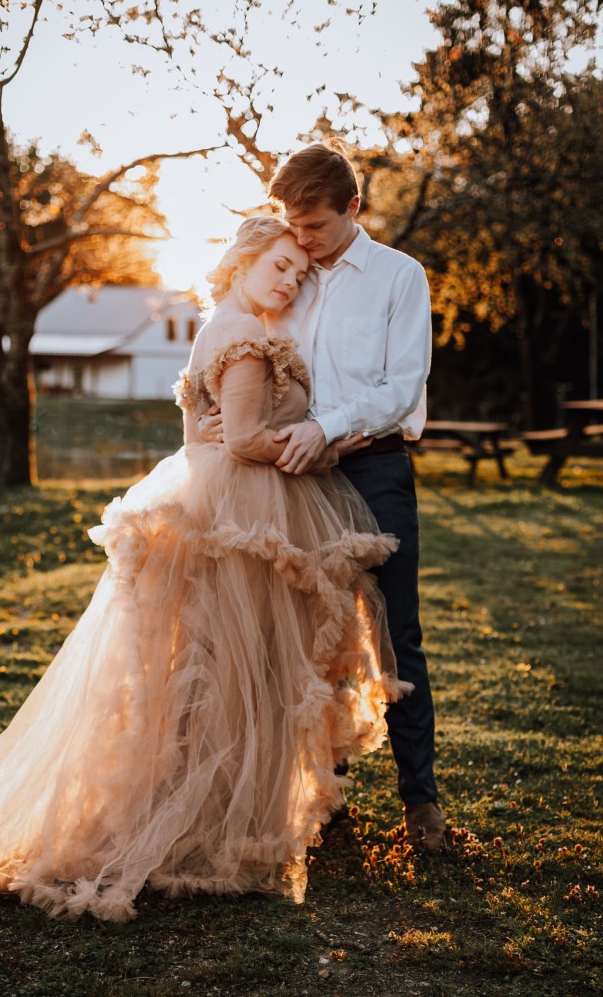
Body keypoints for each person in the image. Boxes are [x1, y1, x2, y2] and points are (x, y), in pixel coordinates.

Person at [0, 217, 412, 923]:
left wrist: (232, 434)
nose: (290, 281)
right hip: (249, 512)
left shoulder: (219, 328)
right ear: (241, 260)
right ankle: (212, 825)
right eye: (279, 265)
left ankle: (217, 811)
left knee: (209, 671)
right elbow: (241, 439)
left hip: (222, 504)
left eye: (299, 273)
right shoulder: (245, 334)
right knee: (239, 670)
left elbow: (198, 436)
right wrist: (327, 450)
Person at [202, 141, 446, 853]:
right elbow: (237, 348)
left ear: (353, 208)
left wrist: (326, 428)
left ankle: (422, 802)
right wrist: (220, 415)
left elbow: (402, 387)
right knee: (307, 640)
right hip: (287, 479)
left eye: (315, 225)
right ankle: (323, 800)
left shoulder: (399, 277)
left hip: (373, 469)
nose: (302, 240)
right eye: (293, 226)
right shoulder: (288, 275)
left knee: (395, 635)